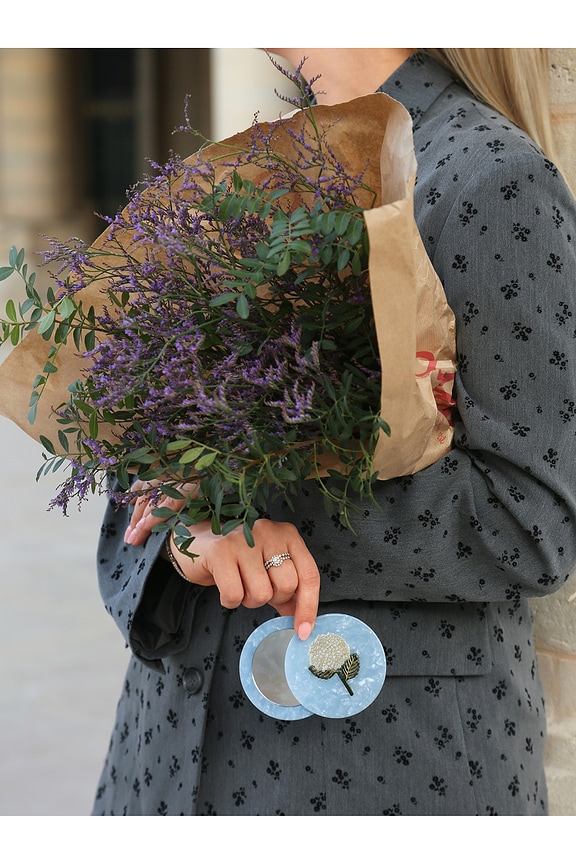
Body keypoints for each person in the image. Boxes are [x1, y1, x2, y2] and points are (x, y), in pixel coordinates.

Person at [92, 48, 576, 816]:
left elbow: (533, 523)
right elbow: (142, 464)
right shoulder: (261, 165)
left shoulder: (488, 177)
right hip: (162, 758)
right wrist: (191, 537)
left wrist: (246, 504)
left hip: (379, 765)